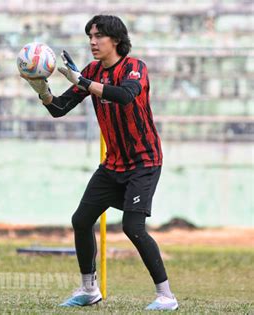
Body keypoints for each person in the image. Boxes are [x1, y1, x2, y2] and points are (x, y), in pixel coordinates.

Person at [22, 15, 178, 311]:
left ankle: (166, 295)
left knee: (133, 227)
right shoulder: (93, 71)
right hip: (113, 164)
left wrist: (82, 80)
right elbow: (59, 108)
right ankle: (89, 290)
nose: (92, 42)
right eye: (90, 37)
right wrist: (40, 89)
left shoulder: (134, 68)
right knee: (81, 220)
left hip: (144, 161)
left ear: (116, 40)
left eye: (99, 36)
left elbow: (126, 96)